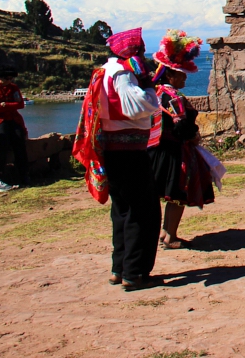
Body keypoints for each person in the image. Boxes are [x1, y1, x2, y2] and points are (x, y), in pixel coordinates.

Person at [81, 27, 161, 291]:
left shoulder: (105, 71)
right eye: (140, 48)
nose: (143, 52)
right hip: (129, 153)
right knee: (141, 211)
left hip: (115, 151)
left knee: (123, 210)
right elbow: (137, 106)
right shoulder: (122, 73)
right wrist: (149, 87)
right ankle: (134, 271)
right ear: (132, 50)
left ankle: (120, 267)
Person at [148, 30, 214, 250]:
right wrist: (193, 135)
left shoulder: (157, 93)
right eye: (181, 74)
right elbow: (181, 126)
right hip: (175, 151)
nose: (185, 77)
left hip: (159, 149)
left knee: (169, 194)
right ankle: (171, 236)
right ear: (170, 75)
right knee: (177, 194)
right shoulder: (174, 97)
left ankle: (166, 232)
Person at [0, 67, 28, 190]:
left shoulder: (14, 88)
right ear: (0, 78)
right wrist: (9, 106)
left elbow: (20, 104)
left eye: (11, 78)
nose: (9, 81)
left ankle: (24, 174)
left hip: (13, 118)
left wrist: (4, 105)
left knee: (20, 140)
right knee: (2, 142)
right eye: (6, 78)